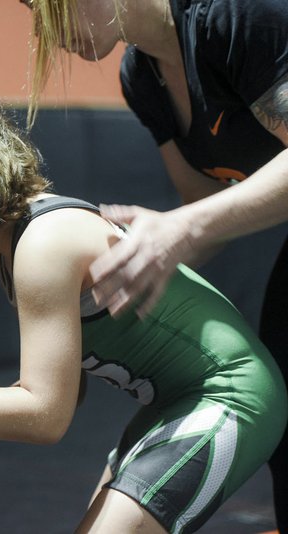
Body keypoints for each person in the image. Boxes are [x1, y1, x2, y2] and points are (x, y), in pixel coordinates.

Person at [0, 78, 288, 532]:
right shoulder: (16, 250)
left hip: (227, 396)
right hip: (178, 402)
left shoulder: (44, 243)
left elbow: (45, 418)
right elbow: (63, 389)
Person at [18, 0, 288, 526]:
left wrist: (181, 230)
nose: (44, 30)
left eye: (45, 6)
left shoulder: (233, 17)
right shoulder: (142, 76)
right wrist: (136, 255)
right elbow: (203, 204)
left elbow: (194, 225)